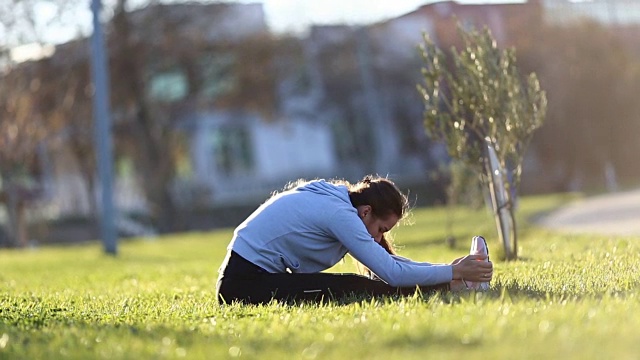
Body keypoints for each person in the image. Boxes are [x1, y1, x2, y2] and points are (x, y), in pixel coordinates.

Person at [216, 175, 493, 305]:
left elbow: (389, 263)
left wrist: (449, 269)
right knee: (353, 286)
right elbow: (393, 274)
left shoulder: (339, 200)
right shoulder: (340, 214)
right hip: (242, 286)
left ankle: (456, 284)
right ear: (367, 211)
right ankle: (457, 286)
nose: (379, 236)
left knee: (355, 284)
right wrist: (453, 271)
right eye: (382, 229)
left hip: (249, 276)